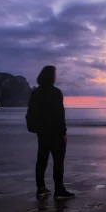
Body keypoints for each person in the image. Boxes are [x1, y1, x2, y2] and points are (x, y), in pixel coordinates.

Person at [29, 65, 75, 199]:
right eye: (55, 74)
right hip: (55, 132)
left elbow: (33, 112)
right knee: (58, 161)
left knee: (42, 160)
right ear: (51, 76)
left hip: (42, 132)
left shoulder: (36, 92)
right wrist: (63, 132)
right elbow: (59, 114)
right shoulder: (55, 92)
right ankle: (59, 189)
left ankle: (40, 188)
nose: (56, 77)